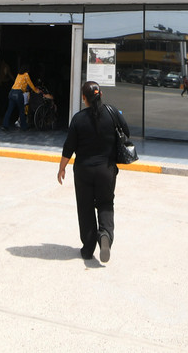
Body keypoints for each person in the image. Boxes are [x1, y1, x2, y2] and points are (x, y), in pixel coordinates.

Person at [58, 81, 129, 262]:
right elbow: (126, 132)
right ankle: (105, 235)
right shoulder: (112, 113)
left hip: (83, 170)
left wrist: (61, 168)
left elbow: (68, 147)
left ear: (84, 98)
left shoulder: (78, 118)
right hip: (107, 169)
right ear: (101, 94)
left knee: (85, 207)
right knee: (105, 203)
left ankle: (88, 248)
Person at [2, 65, 41, 131]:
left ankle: (4, 125)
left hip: (11, 92)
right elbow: (30, 83)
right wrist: (36, 91)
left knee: (9, 110)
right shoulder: (26, 75)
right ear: (27, 70)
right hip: (18, 93)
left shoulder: (18, 75)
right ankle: (24, 127)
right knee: (21, 110)